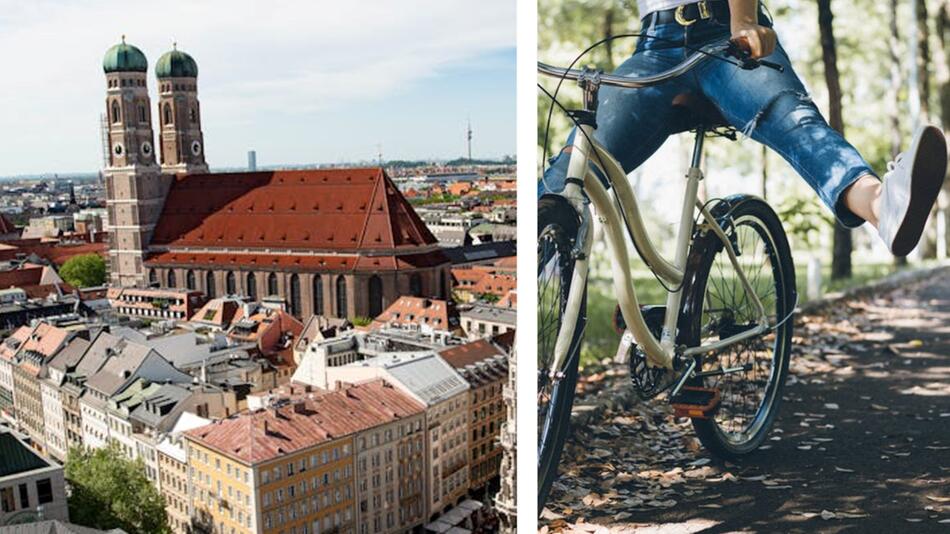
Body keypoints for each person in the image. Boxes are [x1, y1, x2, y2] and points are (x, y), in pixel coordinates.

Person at [540, 0, 948, 257]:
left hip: (724, 29)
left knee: (791, 118)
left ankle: (880, 205)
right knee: (568, 175)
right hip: (653, 46)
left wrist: (744, 19)